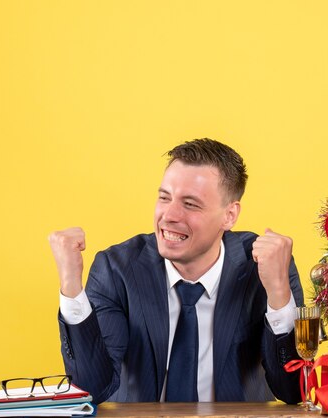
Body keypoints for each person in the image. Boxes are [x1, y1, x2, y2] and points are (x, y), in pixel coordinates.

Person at [48, 138, 304, 404]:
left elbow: (292, 391)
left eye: (190, 204)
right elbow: (93, 388)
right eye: (164, 197)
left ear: (229, 215)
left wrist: (277, 293)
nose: (169, 215)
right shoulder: (117, 270)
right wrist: (71, 287)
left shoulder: (266, 267)